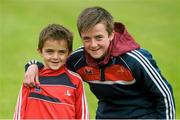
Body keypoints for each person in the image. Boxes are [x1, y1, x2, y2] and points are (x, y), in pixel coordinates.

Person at [23, 7, 175, 119]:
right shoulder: (78, 60)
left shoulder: (135, 59)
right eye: (87, 39)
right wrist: (32, 65)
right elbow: (55, 64)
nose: (93, 44)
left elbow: (165, 94)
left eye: (99, 37)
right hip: (107, 116)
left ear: (111, 34)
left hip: (143, 115)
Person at [14, 24, 89, 119]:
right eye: (50, 51)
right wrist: (32, 65)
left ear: (69, 53)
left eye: (61, 52)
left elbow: (83, 115)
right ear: (40, 51)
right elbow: (19, 111)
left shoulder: (75, 80)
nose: (55, 57)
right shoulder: (31, 77)